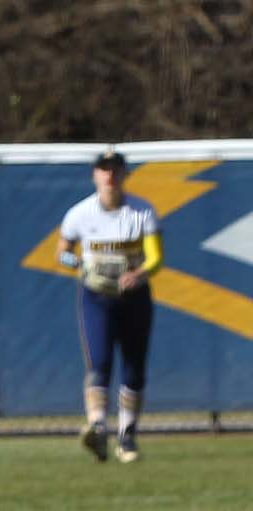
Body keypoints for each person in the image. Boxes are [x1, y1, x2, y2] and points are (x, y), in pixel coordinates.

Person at [56, 150, 161, 464]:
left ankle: (127, 437)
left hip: (134, 297)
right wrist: (77, 263)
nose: (109, 175)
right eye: (104, 169)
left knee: (133, 367)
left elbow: (156, 258)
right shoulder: (80, 214)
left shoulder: (141, 211)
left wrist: (139, 274)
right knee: (99, 361)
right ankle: (98, 428)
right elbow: (62, 251)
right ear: (95, 175)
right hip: (97, 296)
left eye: (115, 169)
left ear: (125, 173)